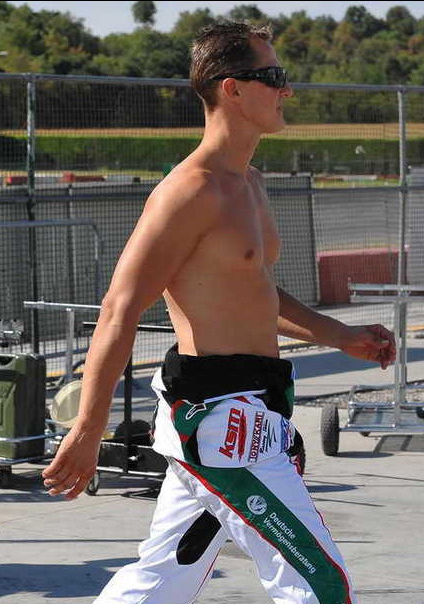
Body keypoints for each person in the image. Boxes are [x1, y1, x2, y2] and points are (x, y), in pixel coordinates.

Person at [42, 21, 395, 604]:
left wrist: (340, 335)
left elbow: (254, 291)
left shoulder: (250, 182)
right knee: (320, 586)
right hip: (222, 422)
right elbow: (119, 308)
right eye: (274, 77)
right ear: (232, 88)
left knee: (164, 577)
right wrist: (87, 429)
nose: (287, 90)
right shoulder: (191, 190)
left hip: (253, 410)